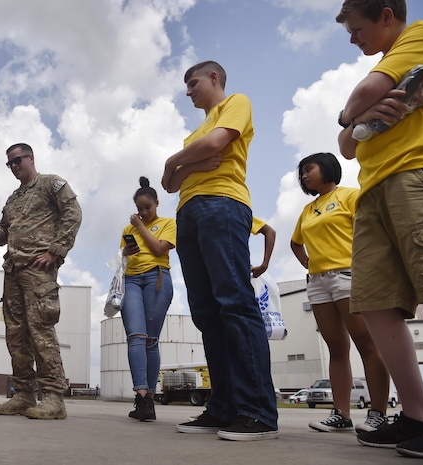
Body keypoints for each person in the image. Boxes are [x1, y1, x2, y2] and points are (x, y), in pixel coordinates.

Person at [162, 60, 278, 441]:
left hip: (223, 205)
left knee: (235, 303)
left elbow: (214, 146)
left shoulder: (236, 104)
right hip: (188, 216)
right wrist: (177, 162)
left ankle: (257, 411)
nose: (188, 91)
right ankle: (224, 407)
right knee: (207, 313)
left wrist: (181, 163)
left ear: (214, 78)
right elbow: (170, 184)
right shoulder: (191, 135)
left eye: (192, 83)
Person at [336, 0, 423, 457]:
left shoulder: (419, 34)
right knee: (374, 303)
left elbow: (357, 101)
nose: (353, 39)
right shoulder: (391, 61)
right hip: (371, 188)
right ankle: (417, 416)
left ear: (387, 15)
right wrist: (357, 121)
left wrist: (355, 115)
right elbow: (346, 148)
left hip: (416, 172)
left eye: (356, 29)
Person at [0, 143, 82, 420]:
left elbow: (73, 213)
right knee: (16, 335)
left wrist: (56, 250)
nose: (15, 166)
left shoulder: (51, 184)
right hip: (13, 271)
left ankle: (54, 398)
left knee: (41, 332)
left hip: (38, 271)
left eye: (19, 160)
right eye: (10, 163)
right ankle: (24, 394)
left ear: (31, 158)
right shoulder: (14, 199)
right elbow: (3, 232)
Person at [290, 152, 390, 434]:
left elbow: (373, 227)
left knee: (367, 343)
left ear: (327, 167)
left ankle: (378, 413)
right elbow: (296, 243)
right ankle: (341, 414)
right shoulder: (308, 210)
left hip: (348, 274)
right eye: (302, 173)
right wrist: (307, 263)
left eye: (309, 169)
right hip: (318, 281)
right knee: (336, 348)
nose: (305, 176)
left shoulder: (350, 196)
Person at [119, 176, 176, 422]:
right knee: (136, 336)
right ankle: (141, 395)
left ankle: (150, 398)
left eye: (147, 208)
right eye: (139, 209)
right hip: (131, 279)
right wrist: (125, 250)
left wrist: (140, 226)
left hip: (157, 278)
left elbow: (159, 249)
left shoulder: (168, 223)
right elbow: (123, 256)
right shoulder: (127, 230)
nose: (142, 213)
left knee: (151, 340)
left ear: (156, 203)